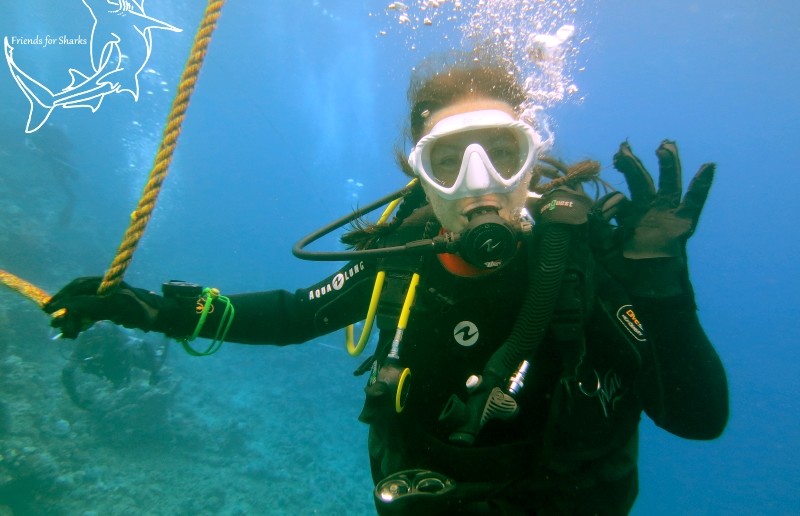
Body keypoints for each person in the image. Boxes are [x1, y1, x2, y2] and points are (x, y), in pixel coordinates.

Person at [42, 56, 728, 514]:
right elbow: (288, 315)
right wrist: (156, 308)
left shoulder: (589, 260)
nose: (479, 183)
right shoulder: (398, 259)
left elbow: (699, 420)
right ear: (419, 175)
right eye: (449, 161)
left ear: (530, 160)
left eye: (503, 153)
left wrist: (662, 286)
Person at [61, 321, 168, 409]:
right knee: (115, 376)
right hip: (110, 363)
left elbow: (144, 344)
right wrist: (76, 400)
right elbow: (67, 372)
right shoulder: (81, 347)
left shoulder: (115, 339)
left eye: (97, 344)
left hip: (123, 355)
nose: (95, 351)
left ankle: (167, 334)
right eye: (91, 346)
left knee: (156, 363)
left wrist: (154, 372)